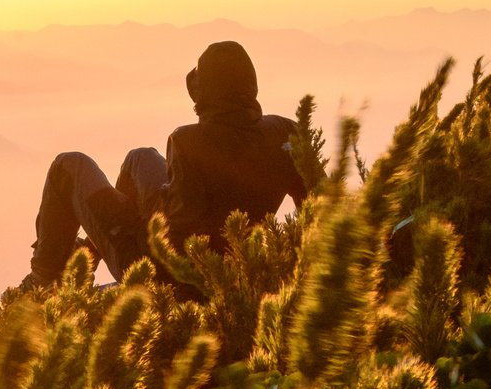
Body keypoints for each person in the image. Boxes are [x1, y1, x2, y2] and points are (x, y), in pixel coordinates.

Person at [26, 40, 309, 288]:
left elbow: (178, 238)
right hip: (234, 258)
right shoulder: (286, 132)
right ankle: (89, 253)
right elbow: (319, 207)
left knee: (69, 166)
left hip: (158, 269)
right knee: (140, 157)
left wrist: (141, 219)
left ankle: (45, 279)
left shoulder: (189, 141)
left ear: (207, 91)